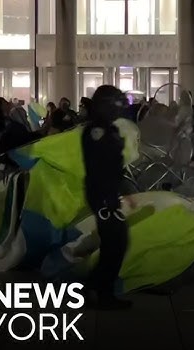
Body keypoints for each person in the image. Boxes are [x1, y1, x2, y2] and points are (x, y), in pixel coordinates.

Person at [81, 85, 134, 310]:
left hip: (108, 192)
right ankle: (99, 291)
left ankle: (97, 289)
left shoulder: (107, 129)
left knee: (116, 243)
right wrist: (109, 196)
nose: (119, 110)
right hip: (102, 194)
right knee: (116, 242)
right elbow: (101, 166)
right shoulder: (96, 131)